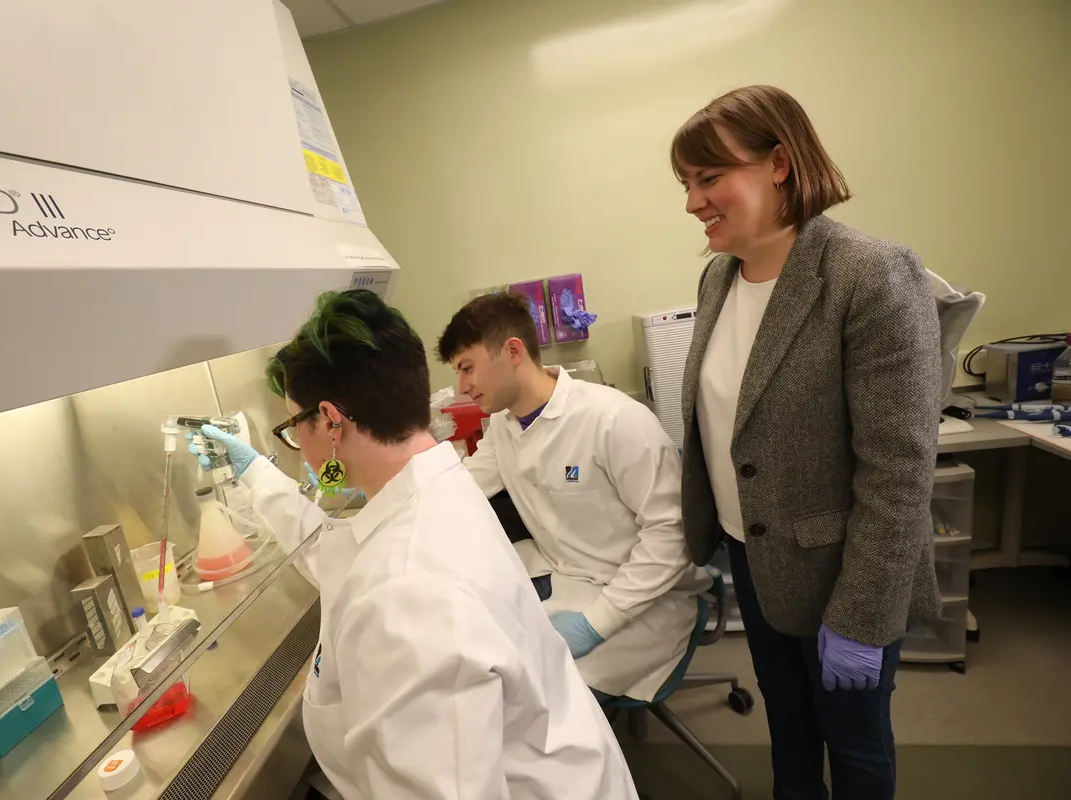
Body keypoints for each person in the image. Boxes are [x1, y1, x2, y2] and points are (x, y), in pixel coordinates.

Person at [192, 290, 638, 800]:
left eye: (295, 425)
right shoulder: (436, 480)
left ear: (331, 421)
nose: (300, 443)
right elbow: (338, 551)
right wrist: (255, 473)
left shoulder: (406, 601)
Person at [673, 85, 943, 799]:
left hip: (840, 571)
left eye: (709, 178)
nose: (693, 202)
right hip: (752, 558)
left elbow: (899, 472)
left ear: (780, 165)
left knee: (854, 746)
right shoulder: (716, 279)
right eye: (686, 183)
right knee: (788, 729)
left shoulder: (869, 275)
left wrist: (861, 617)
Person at [436, 292, 710, 703]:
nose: (462, 387)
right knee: (481, 667)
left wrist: (596, 625)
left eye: (468, 368)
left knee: (531, 696)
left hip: (645, 602)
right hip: (570, 582)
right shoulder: (504, 426)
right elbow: (461, 489)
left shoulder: (613, 420)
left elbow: (672, 537)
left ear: (512, 351)